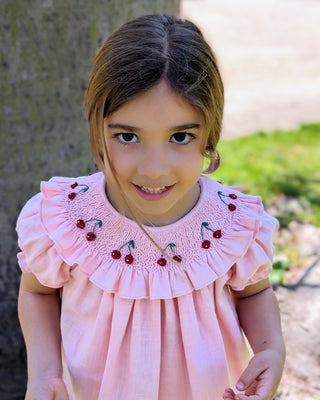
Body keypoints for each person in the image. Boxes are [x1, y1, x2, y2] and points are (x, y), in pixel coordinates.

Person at [16, 14, 285, 400]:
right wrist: (43, 374)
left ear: (210, 132)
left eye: (180, 136)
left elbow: (254, 293)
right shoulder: (66, 218)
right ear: (97, 128)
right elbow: (39, 292)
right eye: (128, 136)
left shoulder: (234, 224)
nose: (154, 169)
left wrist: (271, 348)